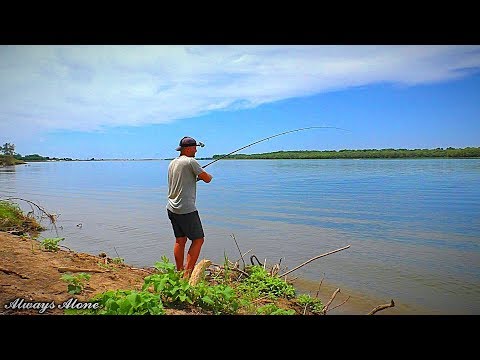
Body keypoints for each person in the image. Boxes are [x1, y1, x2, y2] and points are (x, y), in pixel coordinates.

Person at [166, 136, 213, 278]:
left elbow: (183, 179)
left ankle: (180, 271)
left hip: (171, 207)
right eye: (194, 147)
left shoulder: (173, 163)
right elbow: (207, 178)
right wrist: (206, 175)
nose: (196, 150)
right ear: (187, 148)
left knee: (180, 240)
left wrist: (194, 177)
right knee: (198, 240)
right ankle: (188, 275)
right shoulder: (191, 161)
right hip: (186, 209)